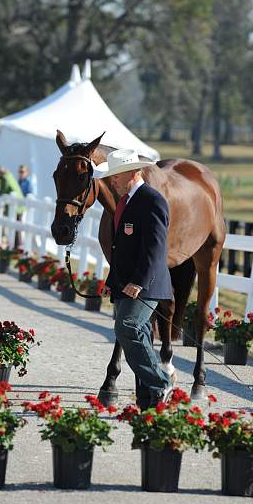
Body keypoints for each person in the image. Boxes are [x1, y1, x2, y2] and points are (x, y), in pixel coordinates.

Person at [93, 148, 173, 407]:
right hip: (126, 283)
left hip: (146, 284)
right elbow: (120, 248)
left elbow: (155, 247)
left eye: (116, 175)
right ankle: (149, 395)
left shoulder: (152, 200)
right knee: (137, 331)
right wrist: (112, 281)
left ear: (131, 172)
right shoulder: (125, 202)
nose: (112, 180)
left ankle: (161, 381)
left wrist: (139, 281)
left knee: (127, 326)